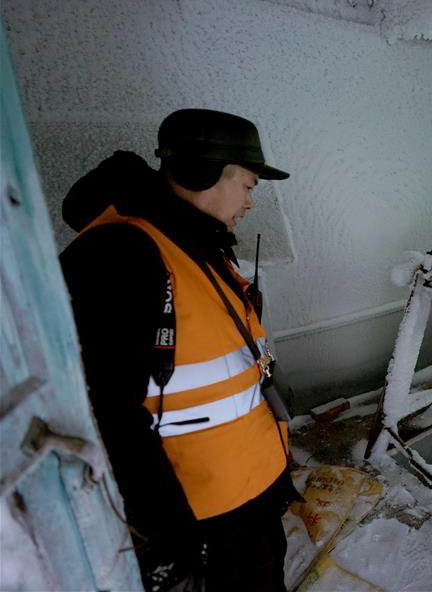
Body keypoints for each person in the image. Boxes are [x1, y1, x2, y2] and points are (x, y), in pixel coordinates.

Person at [59, 109, 299, 591]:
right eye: (249, 185)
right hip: (203, 524)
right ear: (205, 172)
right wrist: (166, 539)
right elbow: (103, 412)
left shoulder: (195, 242)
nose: (252, 202)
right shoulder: (122, 256)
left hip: (246, 502)